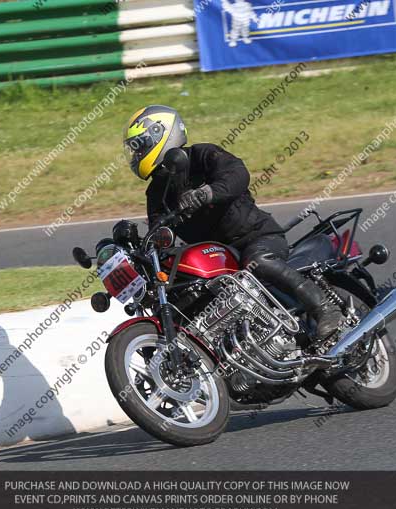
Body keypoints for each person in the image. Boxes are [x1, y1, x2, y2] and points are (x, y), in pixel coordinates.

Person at [123, 104, 341, 339]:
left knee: (258, 262)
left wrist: (206, 193)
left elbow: (238, 174)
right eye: (134, 150)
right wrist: (137, 244)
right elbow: (160, 233)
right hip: (217, 257)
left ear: (161, 133)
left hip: (257, 238)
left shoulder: (201, 156)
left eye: (140, 146)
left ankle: (325, 309)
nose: (136, 155)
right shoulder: (156, 192)